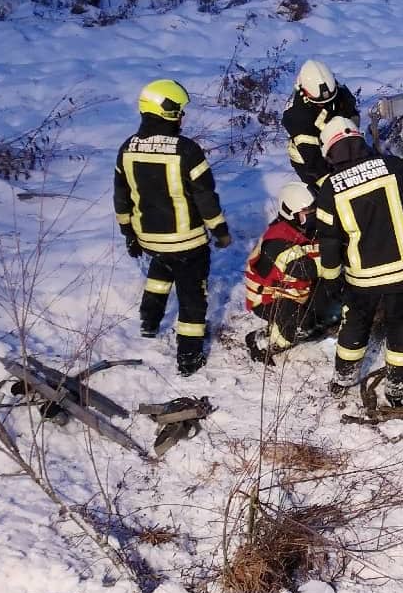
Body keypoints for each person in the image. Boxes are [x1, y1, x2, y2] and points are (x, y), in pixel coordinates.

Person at [114, 78, 230, 377]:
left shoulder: (127, 148)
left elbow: (121, 198)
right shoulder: (187, 151)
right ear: (164, 110)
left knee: (160, 273)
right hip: (187, 242)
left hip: (150, 240)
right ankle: (189, 358)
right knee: (193, 297)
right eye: (178, 109)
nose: (182, 115)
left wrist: (129, 234)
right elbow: (206, 197)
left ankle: (148, 322)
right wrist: (219, 231)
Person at [314, 116, 403, 408]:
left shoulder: (329, 190)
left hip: (362, 279)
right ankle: (397, 389)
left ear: (330, 151)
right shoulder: (390, 166)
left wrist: (330, 278)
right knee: (401, 328)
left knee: (355, 325)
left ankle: (343, 379)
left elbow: (329, 240)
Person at [242, 182, 339, 363]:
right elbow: (308, 267)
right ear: (291, 213)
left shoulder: (303, 230)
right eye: (307, 213)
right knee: (302, 325)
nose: (312, 216)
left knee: (327, 306)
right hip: (270, 299)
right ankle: (264, 341)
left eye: (313, 211)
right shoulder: (277, 241)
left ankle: (315, 319)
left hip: (296, 292)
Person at [281, 59, 361, 193]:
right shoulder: (298, 118)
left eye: (330, 100)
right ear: (306, 94)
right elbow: (313, 161)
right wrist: (331, 186)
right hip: (308, 159)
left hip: (334, 144)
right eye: (320, 104)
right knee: (324, 192)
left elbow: (351, 112)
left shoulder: (337, 90)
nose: (325, 104)